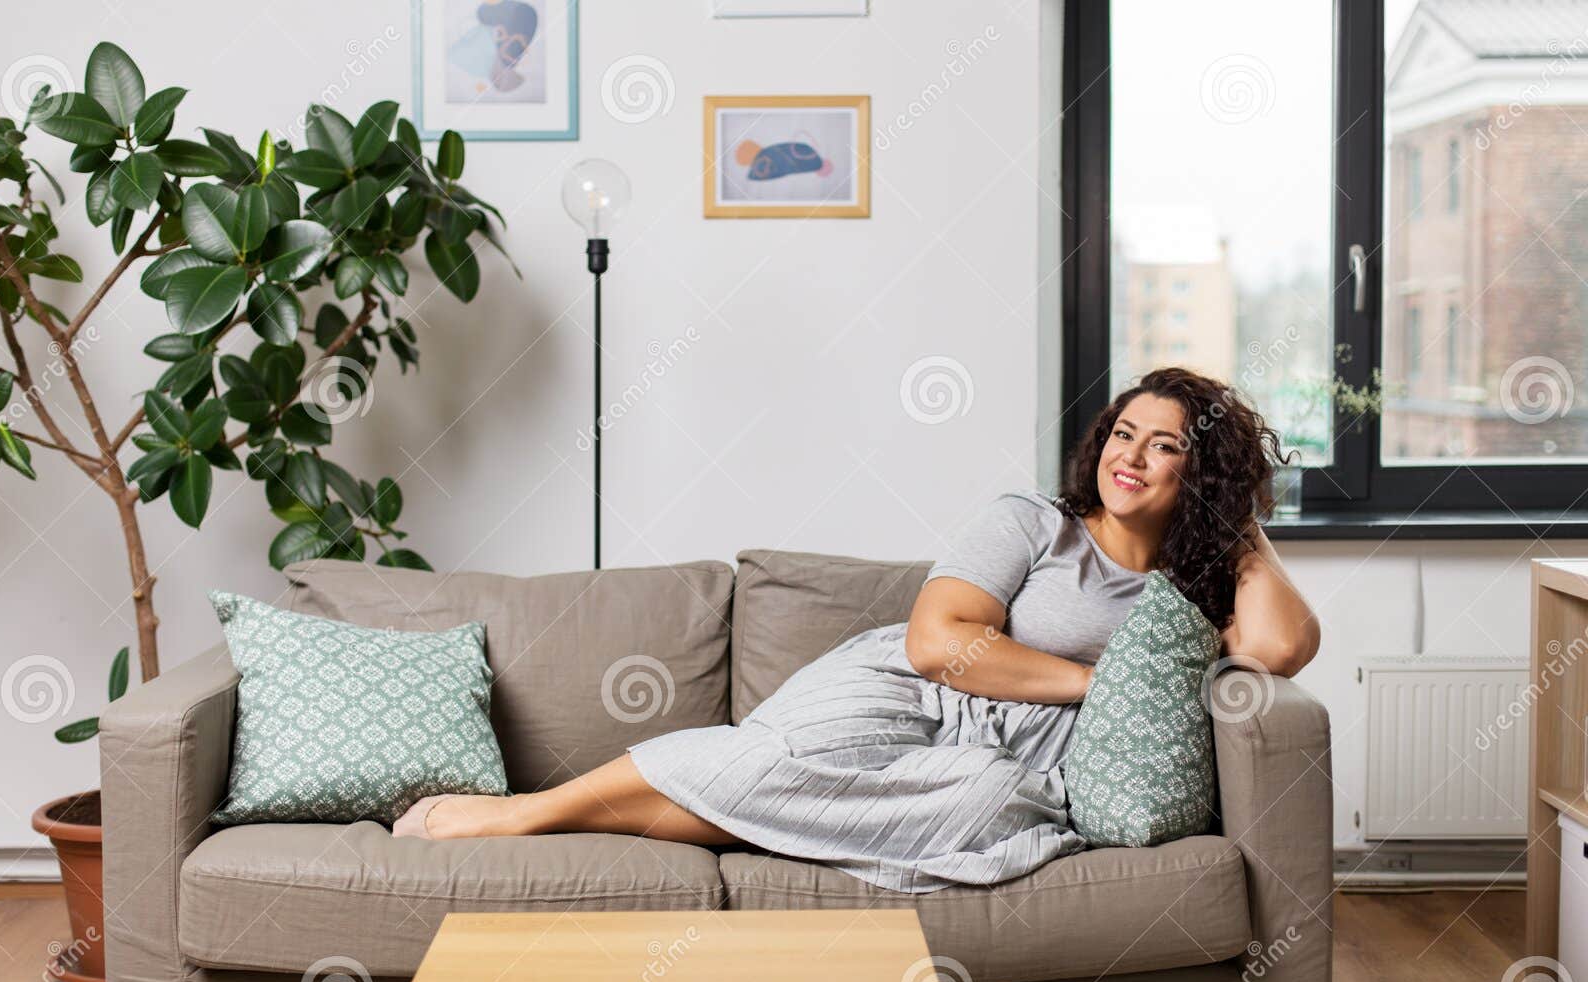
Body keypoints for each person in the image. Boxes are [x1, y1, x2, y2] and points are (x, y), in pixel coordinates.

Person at [393, 368, 1320, 893]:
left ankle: (751, 828)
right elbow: (938, 641)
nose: (1134, 456)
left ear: (1198, 473)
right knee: (776, 763)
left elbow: (1282, 646)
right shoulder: (1035, 521)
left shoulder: (1196, 580)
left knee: (982, 810)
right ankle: (519, 817)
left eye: (1167, 446)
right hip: (913, 692)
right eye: (1125, 433)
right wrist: (1100, 685)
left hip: (1025, 758)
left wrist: (1234, 517)